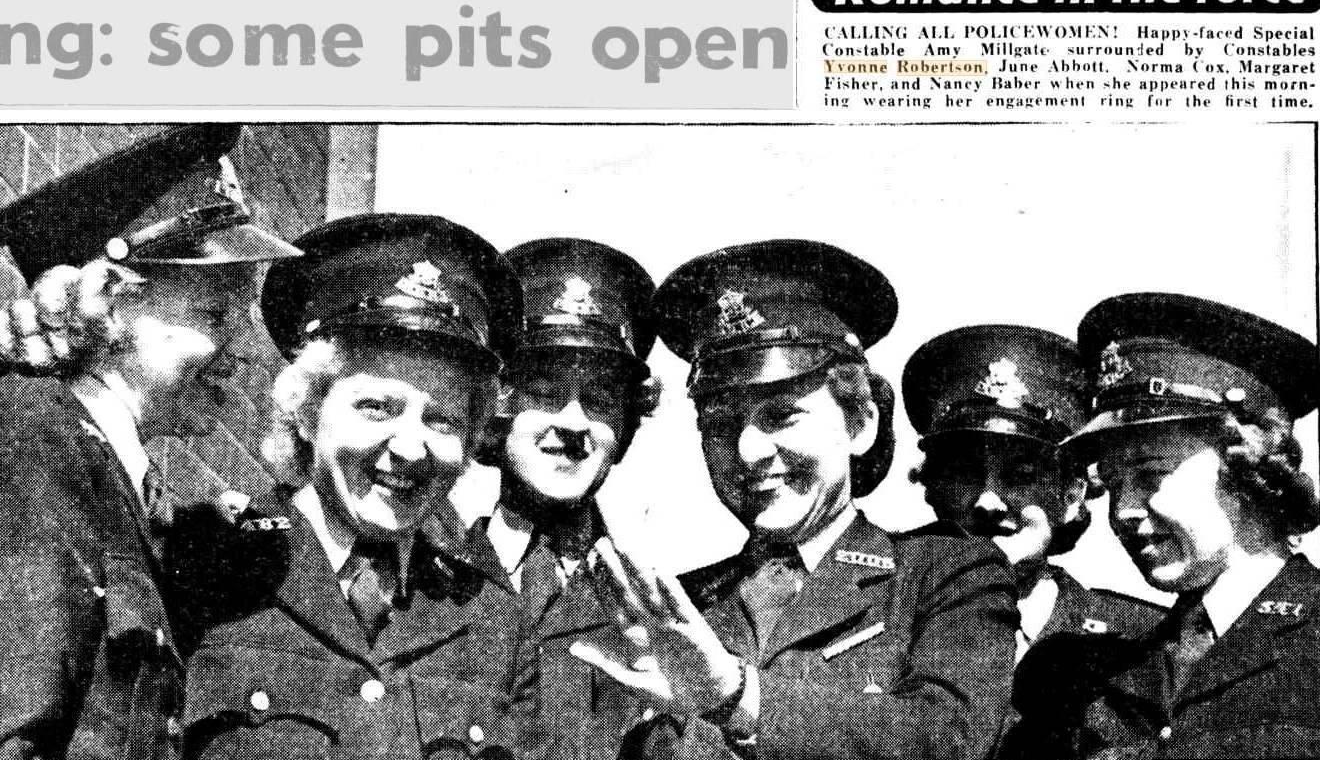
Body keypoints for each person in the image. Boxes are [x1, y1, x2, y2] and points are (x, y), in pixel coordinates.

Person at [571, 240, 1019, 760]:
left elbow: (950, 737)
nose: (749, 451)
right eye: (720, 425)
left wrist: (740, 698)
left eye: (782, 415)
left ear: (860, 423)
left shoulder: (946, 575)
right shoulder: (675, 609)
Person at [181, 213, 536, 760]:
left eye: (443, 421)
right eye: (377, 407)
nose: (411, 448)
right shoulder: (205, 566)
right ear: (307, 411)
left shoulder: (492, 619)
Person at [0, 124, 303, 760]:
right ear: (110, 304)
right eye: (214, 316)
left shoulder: (106, 466)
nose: (240, 351)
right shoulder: (35, 441)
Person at [1009, 292, 1320, 758]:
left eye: (1150, 476)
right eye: (1114, 485)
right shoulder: (1108, 677)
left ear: (1244, 470)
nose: (1123, 511)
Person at [467, 237, 661, 760]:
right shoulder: (426, 583)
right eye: (545, 393)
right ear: (495, 409)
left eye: (599, 400)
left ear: (626, 429)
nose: (573, 422)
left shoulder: (651, 610)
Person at [903, 325, 1165, 664]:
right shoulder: (878, 614)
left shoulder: (1140, 644)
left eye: (1020, 477)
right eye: (966, 474)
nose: (988, 503)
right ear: (932, 488)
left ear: (1071, 496)